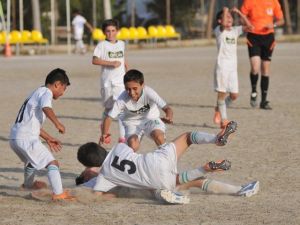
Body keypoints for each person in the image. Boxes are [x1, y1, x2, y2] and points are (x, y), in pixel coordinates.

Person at [76, 121, 259, 204]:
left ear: (91, 167)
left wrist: (111, 195)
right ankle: (216, 141)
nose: (86, 173)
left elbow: (95, 196)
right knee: (187, 137)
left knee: (176, 182)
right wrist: (137, 133)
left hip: (157, 181)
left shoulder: (103, 178)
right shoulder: (117, 148)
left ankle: (202, 169)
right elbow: (132, 144)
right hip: (156, 161)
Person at [9, 68, 75, 201]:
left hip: (15, 138)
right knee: (52, 163)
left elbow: (32, 125)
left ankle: (28, 185)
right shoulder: (46, 92)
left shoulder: (36, 92)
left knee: (31, 161)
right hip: (26, 138)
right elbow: (46, 108)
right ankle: (59, 194)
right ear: (57, 84)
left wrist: (48, 138)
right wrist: (57, 123)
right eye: (63, 89)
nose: (62, 93)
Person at [100, 69, 173, 151]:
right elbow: (109, 117)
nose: (131, 92)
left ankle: (167, 156)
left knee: (159, 137)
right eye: (128, 89)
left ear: (142, 85)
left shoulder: (149, 92)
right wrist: (104, 134)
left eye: (135, 88)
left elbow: (167, 108)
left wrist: (168, 117)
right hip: (132, 122)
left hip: (151, 119)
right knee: (133, 145)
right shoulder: (122, 99)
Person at [213, 7, 253, 128]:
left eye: (230, 17)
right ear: (220, 21)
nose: (229, 18)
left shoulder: (235, 30)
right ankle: (224, 120)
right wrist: (225, 10)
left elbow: (250, 27)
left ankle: (219, 108)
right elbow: (224, 24)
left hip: (233, 68)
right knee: (222, 93)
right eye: (226, 17)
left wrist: (240, 13)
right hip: (222, 67)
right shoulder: (219, 30)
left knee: (234, 95)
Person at [241, 0, 285, 110]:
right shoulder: (249, 1)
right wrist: (247, 23)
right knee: (255, 68)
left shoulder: (274, 2)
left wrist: (273, 24)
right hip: (254, 37)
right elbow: (242, 16)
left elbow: (281, 20)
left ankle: (264, 101)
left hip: (268, 38)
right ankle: (254, 92)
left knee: (265, 69)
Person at [92, 19, 128, 144]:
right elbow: (95, 60)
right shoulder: (101, 45)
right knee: (109, 109)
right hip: (107, 83)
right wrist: (111, 63)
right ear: (104, 32)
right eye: (108, 31)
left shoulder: (122, 44)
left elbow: (123, 60)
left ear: (117, 31)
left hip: (121, 82)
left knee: (122, 109)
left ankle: (122, 139)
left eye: (113, 30)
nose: (111, 33)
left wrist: (127, 71)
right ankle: (104, 129)